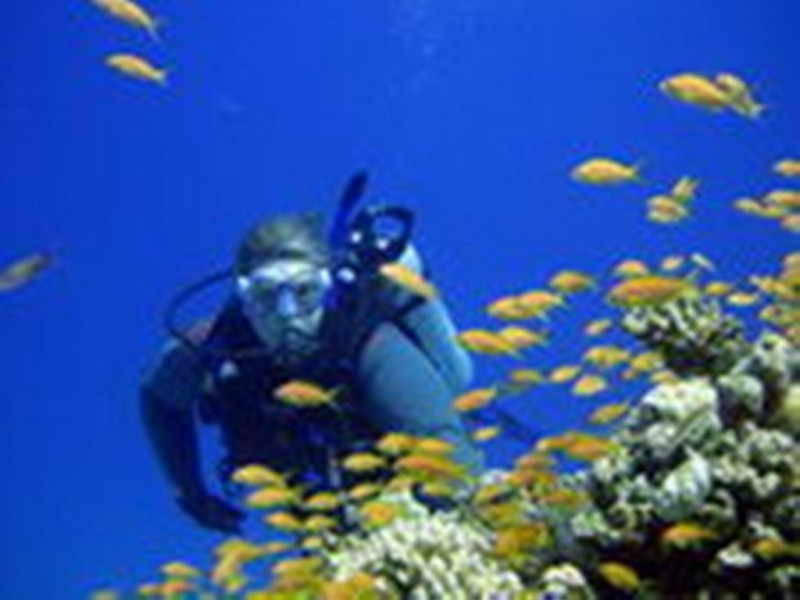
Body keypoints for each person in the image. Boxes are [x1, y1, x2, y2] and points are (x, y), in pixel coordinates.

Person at [139, 173, 483, 533]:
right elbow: (160, 398)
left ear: (326, 288)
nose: (287, 315)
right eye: (266, 295)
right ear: (244, 299)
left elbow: (450, 458)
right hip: (312, 506)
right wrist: (190, 492)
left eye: (304, 292)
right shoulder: (212, 343)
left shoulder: (369, 345)